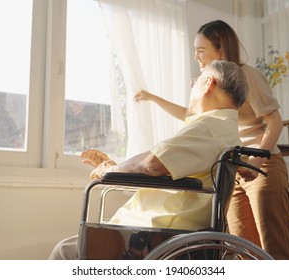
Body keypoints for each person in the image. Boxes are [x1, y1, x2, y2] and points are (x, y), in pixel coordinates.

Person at [48, 60, 248, 259]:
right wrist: (115, 166)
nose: (192, 86)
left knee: (62, 252)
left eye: (196, 80)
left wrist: (108, 171)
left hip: (160, 232)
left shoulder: (208, 128)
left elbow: (151, 165)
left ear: (208, 84)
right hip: (177, 230)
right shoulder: (228, 132)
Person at [134, 20, 289, 260]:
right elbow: (190, 115)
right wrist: (153, 98)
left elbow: (274, 121)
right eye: (195, 50)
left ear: (220, 50)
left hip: (262, 165)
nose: (196, 57)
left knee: (274, 247)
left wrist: (258, 161)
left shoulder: (246, 76)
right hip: (234, 169)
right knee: (242, 248)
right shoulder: (214, 86)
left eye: (201, 50)